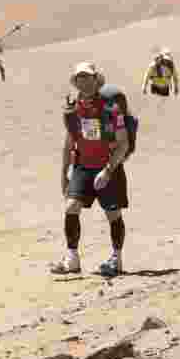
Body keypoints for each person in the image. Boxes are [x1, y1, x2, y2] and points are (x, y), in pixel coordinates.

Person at [55, 62, 131, 278]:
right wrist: (63, 173)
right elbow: (70, 141)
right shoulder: (73, 109)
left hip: (108, 169)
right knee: (71, 207)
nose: (83, 81)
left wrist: (108, 170)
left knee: (112, 214)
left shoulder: (111, 109)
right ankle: (72, 259)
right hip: (82, 167)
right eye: (79, 78)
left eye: (87, 77)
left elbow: (123, 143)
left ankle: (116, 258)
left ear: (96, 80)